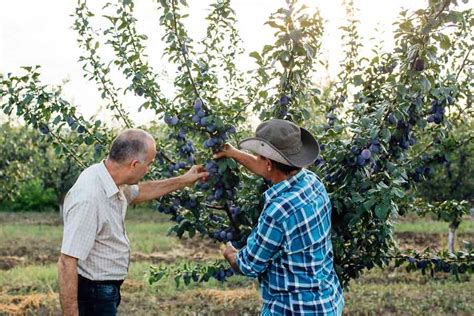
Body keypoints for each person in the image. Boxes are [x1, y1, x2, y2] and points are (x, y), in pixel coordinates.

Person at [57, 129, 208, 316]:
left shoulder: (110, 177)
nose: (149, 169)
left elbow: (140, 192)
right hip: (94, 294)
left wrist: (184, 180)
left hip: (105, 290)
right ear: (134, 164)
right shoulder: (88, 198)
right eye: (149, 164)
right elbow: (67, 262)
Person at [215, 119, 344, 315]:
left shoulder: (279, 210)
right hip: (327, 302)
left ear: (268, 163)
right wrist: (232, 153)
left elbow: (249, 265)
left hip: (293, 309)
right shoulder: (313, 182)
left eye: (259, 157)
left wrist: (231, 253)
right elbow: (265, 169)